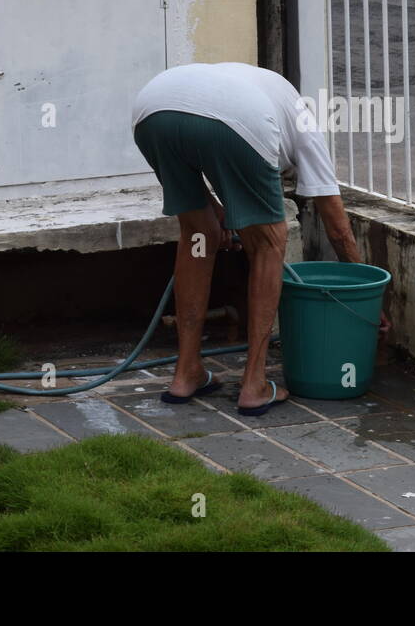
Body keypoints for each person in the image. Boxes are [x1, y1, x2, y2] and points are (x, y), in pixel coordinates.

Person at [131, 62, 390, 417]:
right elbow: (338, 227)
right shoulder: (304, 125)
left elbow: (201, 143)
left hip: (153, 111)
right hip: (235, 119)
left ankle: (185, 373)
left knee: (198, 234)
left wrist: (217, 210)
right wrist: (366, 294)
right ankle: (254, 384)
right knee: (270, 242)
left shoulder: (254, 84)